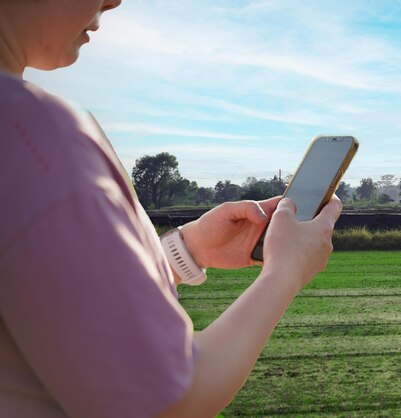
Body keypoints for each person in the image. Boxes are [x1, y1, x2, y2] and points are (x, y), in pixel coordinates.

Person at [0, 1, 342, 417]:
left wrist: (188, 251)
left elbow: (51, 303)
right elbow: (167, 403)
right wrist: (285, 272)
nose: (113, 1)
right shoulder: (33, 135)